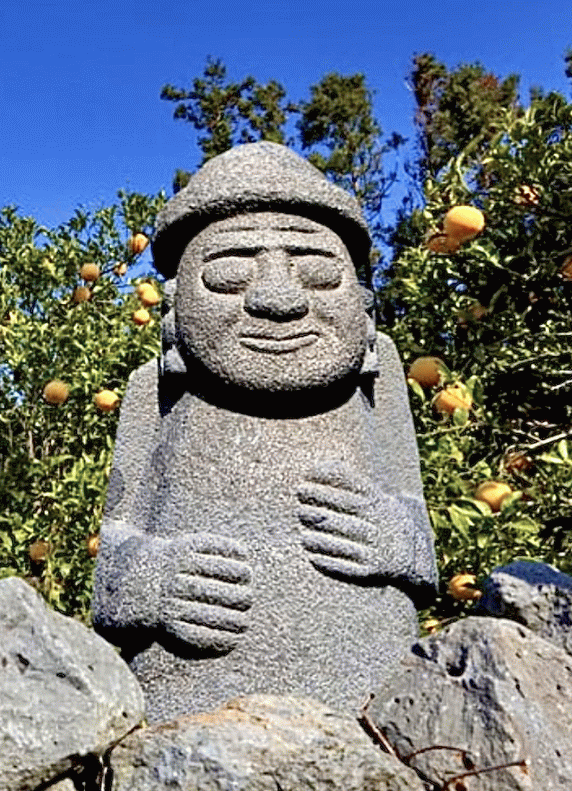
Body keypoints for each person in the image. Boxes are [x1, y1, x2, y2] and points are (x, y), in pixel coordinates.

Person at [93, 142, 437, 723]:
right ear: (175, 305)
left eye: (318, 273)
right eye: (229, 274)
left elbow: (420, 544)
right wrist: (155, 582)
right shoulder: (153, 391)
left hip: (370, 703)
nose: (278, 299)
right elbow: (112, 564)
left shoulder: (379, 380)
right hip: (189, 712)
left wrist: (395, 539)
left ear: (363, 302)